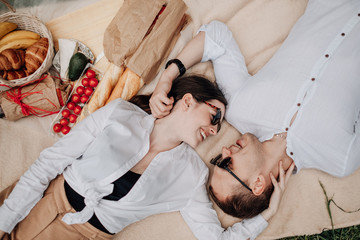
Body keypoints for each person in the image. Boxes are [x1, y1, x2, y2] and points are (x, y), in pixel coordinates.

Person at [0, 75, 292, 240]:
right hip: (37, 200)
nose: (215, 129)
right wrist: (6, 220)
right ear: (188, 101)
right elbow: (49, 162)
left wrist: (267, 214)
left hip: (84, 235)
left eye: (218, 125)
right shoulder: (120, 114)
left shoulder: (192, 176)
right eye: (214, 115)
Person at [150, 0, 360, 220]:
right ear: (258, 183)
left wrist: (167, 76)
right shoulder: (340, 159)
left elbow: (216, 38)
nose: (224, 151)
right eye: (226, 164)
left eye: (218, 160)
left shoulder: (240, 109)